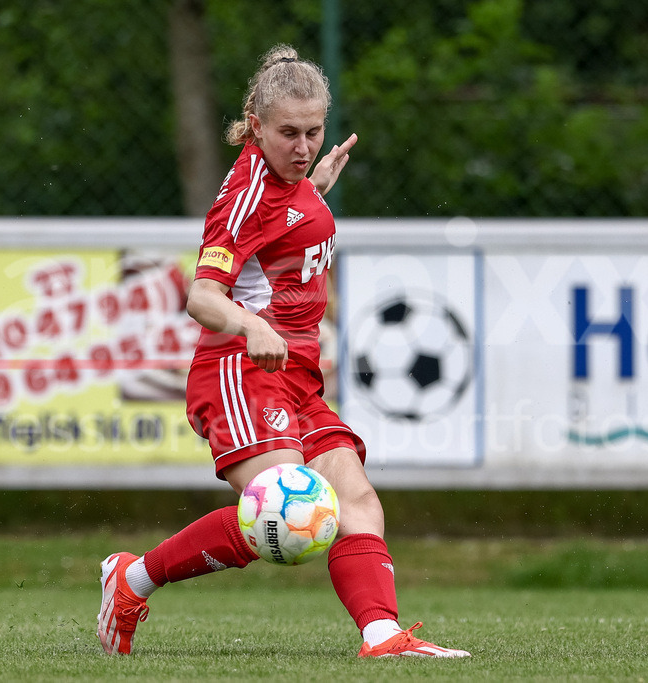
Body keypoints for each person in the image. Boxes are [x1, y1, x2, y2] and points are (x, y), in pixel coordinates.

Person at [96, 44, 471, 660]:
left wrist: (313, 187)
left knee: (355, 502)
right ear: (256, 123)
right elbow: (202, 296)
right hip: (239, 370)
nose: (303, 146)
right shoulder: (245, 195)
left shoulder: (292, 181)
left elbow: (285, 229)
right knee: (280, 512)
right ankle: (131, 581)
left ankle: (382, 637)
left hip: (295, 376)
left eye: (313, 132)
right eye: (288, 134)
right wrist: (250, 325)